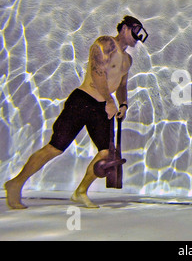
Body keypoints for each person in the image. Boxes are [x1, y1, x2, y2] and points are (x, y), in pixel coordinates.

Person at [5, 16, 148, 209]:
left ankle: (80, 192)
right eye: (135, 30)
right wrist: (109, 100)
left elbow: (122, 84)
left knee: (105, 154)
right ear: (124, 28)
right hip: (82, 101)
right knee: (55, 147)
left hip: (103, 108)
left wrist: (123, 104)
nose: (137, 36)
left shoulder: (128, 60)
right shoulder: (105, 43)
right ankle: (16, 183)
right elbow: (98, 73)